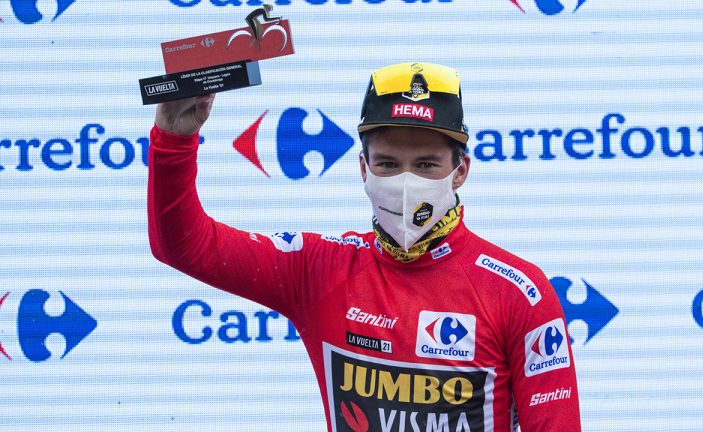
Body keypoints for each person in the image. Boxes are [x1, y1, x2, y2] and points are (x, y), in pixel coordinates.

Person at [148, 62, 581, 431]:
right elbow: (186, 246)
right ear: (362, 167)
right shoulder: (319, 268)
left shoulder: (517, 291)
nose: (406, 182)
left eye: (426, 165)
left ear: (461, 170)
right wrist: (173, 139)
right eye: (388, 164)